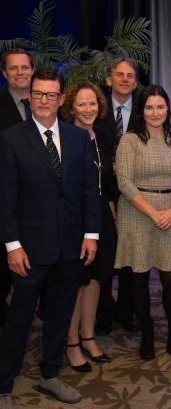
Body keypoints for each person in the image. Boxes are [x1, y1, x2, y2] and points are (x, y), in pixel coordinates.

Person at [0, 69, 100, 407]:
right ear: (29, 97)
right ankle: (3, 384)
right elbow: (6, 198)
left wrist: (91, 234)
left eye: (51, 95)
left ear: (61, 99)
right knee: (19, 321)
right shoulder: (11, 138)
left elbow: (89, 191)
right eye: (38, 94)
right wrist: (12, 245)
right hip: (28, 250)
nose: (44, 100)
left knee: (59, 316)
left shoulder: (76, 138)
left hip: (70, 247)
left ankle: (49, 375)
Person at [114, 85, 171, 366]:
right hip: (137, 213)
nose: (155, 112)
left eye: (160, 107)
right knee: (139, 277)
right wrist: (153, 212)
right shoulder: (130, 141)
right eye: (149, 107)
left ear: (168, 109)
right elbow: (123, 182)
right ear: (141, 111)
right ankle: (147, 333)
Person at [60, 82, 117, 372]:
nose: (88, 109)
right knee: (77, 282)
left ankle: (88, 336)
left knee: (96, 279)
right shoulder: (64, 136)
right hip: (74, 220)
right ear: (70, 107)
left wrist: (112, 211)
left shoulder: (103, 136)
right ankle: (71, 344)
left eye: (93, 103)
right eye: (81, 104)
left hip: (101, 218)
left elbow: (107, 182)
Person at [95, 57, 140, 335]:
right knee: (102, 256)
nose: (125, 79)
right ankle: (103, 310)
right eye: (119, 75)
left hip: (135, 194)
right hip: (102, 193)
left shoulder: (145, 110)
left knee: (130, 257)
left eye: (130, 76)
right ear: (109, 79)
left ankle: (126, 310)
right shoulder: (95, 109)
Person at [0, 49, 34, 331]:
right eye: (14, 68)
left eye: (25, 67)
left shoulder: (44, 102)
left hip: (40, 205)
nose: (20, 72)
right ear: (5, 73)